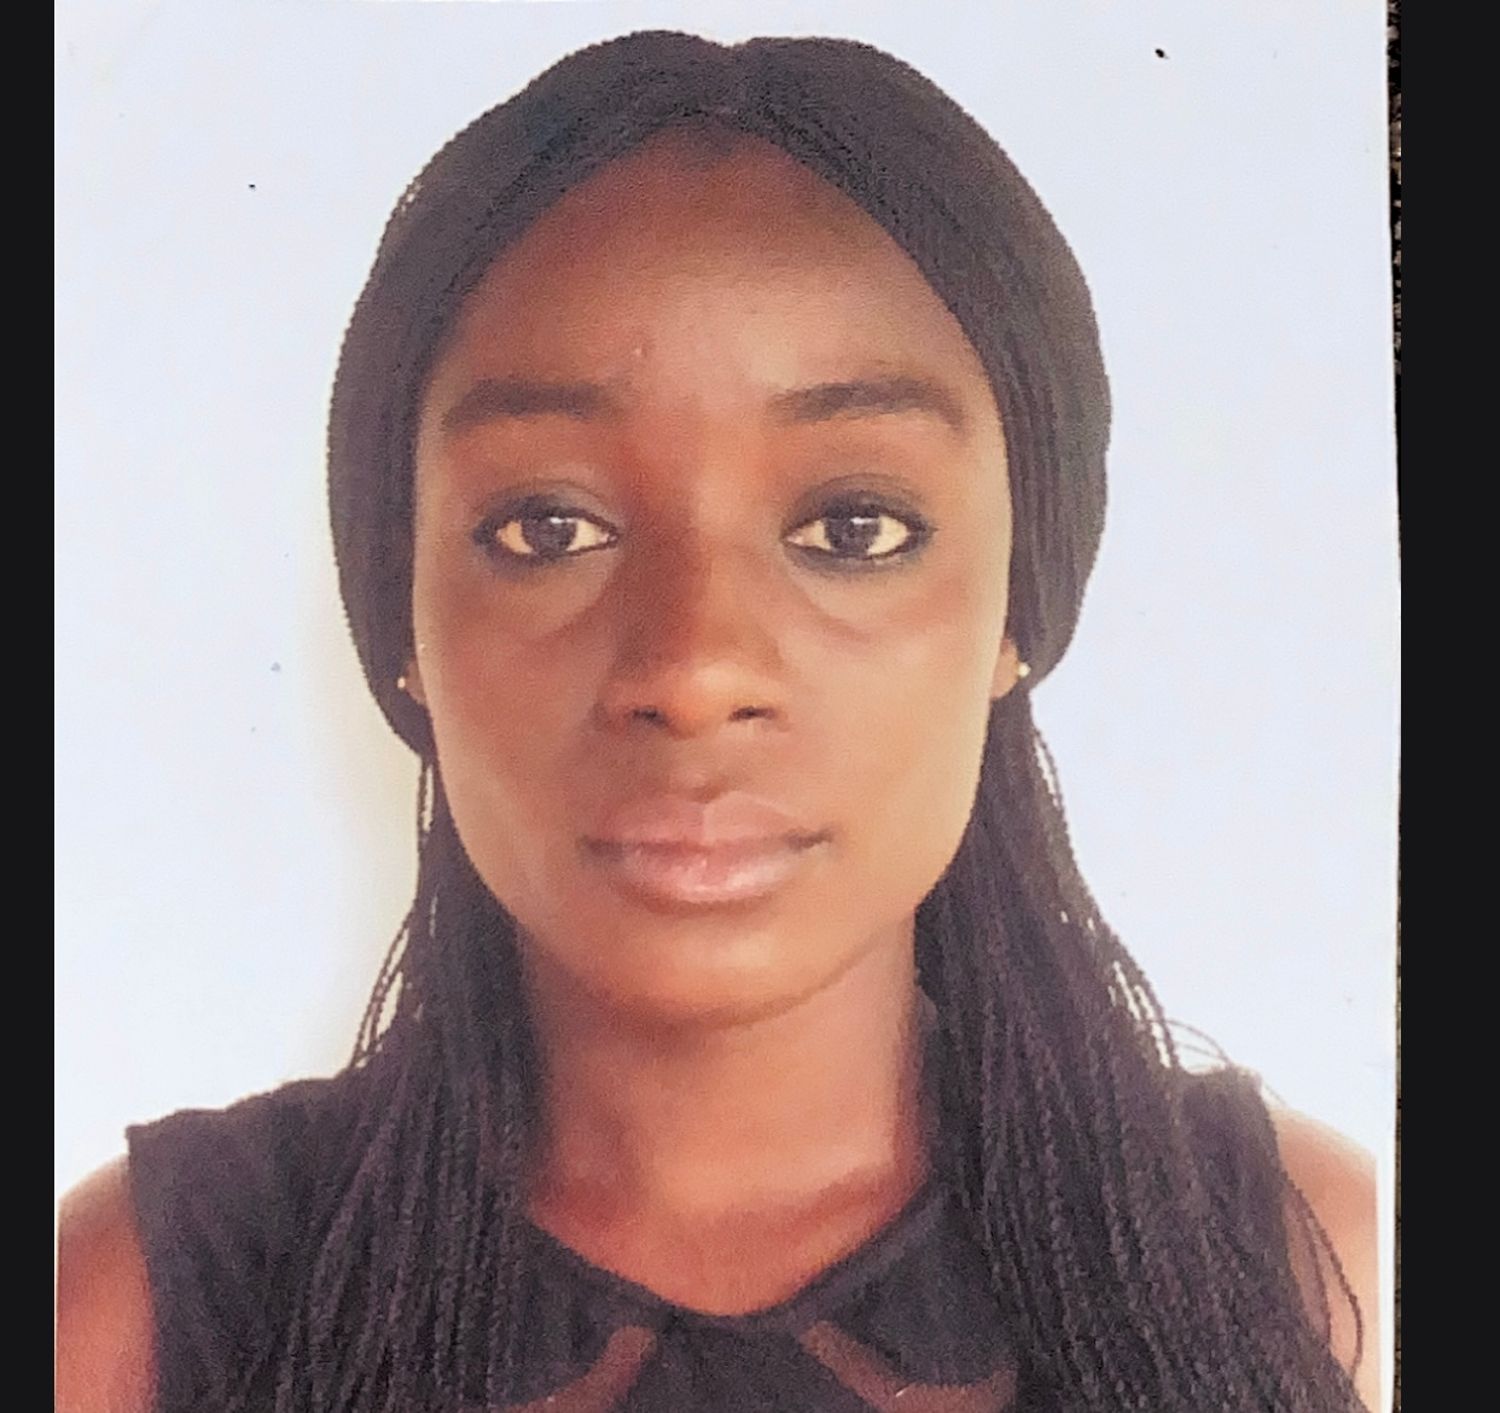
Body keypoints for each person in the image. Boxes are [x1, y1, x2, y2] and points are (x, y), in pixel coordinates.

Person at [56, 29, 1379, 1413]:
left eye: (854, 526)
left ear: (1018, 605)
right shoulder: (124, 1321)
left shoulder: (1317, 1276)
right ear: (401, 623)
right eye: (547, 526)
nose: (693, 669)